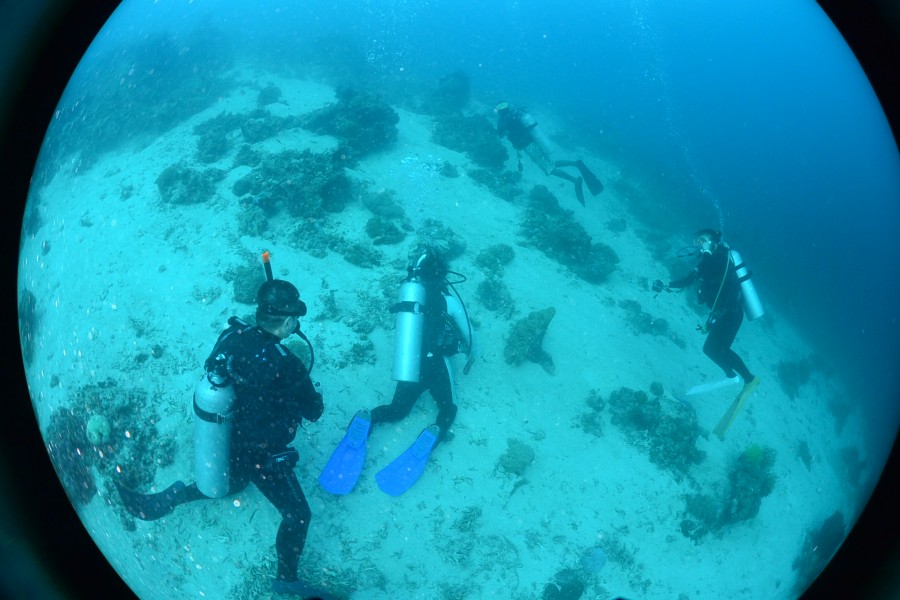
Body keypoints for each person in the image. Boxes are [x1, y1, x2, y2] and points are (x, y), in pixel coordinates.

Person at [116, 279, 336, 599]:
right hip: (260, 454)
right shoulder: (289, 365)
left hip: (224, 439)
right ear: (288, 322)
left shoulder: (233, 334)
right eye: (296, 318)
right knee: (298, 515)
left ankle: (172, 497)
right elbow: (314, 412)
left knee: (232, 483)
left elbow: (214, 368)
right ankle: (286, 580)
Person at [319, 248, 476, 497]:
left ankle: (370, 418)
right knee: (448, 408)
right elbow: (469, 335)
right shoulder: (450, 300)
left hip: (411, 361)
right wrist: (471, 355)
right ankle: (433, 433)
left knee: (397, 410)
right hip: (437, 364)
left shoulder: (410, 297)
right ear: (444, 275)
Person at [667, 229, 760, 395]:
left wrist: (707, 252)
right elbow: (688, 280)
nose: (699, 244)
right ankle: (739, 377)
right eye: (697, 241)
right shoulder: (707, 262)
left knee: (715, 349)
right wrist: (666, 284)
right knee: (715, 349)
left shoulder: (721, 259)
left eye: (702, 240)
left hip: (731, 314)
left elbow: (714, 269)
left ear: (713, 242)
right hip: (723, 314)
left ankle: (745, 378)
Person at [494, 101, 603, 206]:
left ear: (499, 110)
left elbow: (500, 133)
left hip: (529, 146)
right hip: (534, 142)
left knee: (548, 169)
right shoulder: (515, 114)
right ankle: (575, 163)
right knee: (551, 163)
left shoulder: (504, 119)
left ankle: (575, 180)